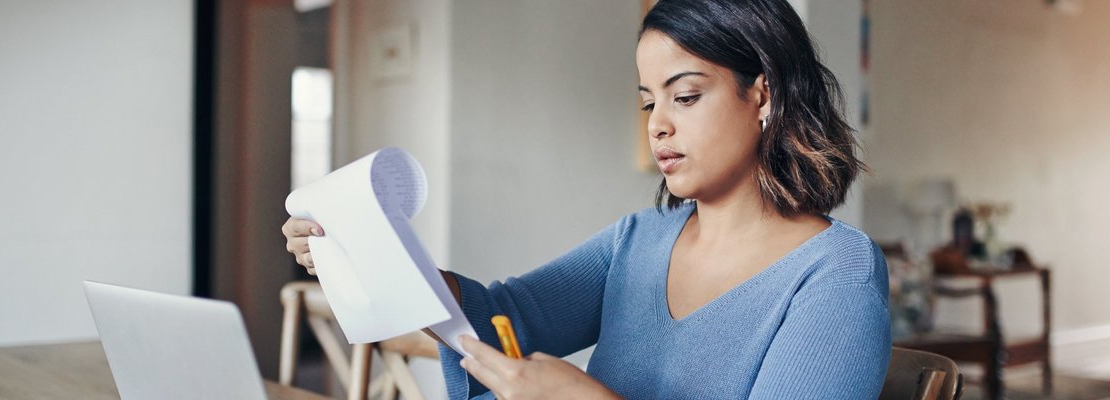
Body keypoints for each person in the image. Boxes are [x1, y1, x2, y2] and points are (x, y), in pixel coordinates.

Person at [282, 0, 890, 398]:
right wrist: (369, 252)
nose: (657, 125)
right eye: (650, 101)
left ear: (763, 95)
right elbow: (502, 319)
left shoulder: (837, 275)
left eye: (685, 95)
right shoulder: (638, 242)